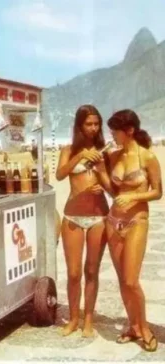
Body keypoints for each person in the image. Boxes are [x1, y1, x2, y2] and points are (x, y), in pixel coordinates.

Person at [100, 109, 160, 352]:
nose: (112, 134)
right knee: (122, 282)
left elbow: (157, 191)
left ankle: (144, 328)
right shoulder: (114, 156)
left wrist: (135, 197)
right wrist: (99, 167)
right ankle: (133, 326)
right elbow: (112, 188)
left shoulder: (147, 158)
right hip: (113, 220)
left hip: (137, 221)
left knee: (131, 280)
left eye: (115, 130)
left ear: (130, 131)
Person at [54, 105, 109, 337]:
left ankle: (88, 320)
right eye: (89, 124)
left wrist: (102, 183)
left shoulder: (105, 151)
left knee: (92, 271)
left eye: (97, 123)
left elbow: (113, 186)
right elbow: (59, 174)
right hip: (73, 215)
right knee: (74, 272)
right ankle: (74, 318)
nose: (94, 128)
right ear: (79, 125)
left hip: (98, 215)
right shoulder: (68, 150)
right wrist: (80, 155)